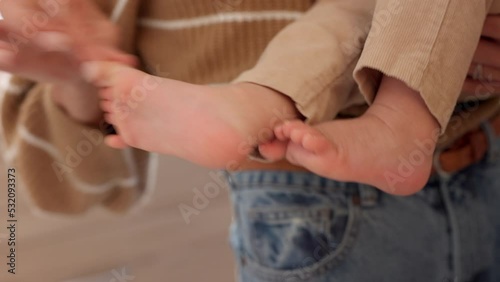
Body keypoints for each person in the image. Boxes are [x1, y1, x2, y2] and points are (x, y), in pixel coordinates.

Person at [0, 0, 500, 282]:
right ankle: (259, 106)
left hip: (487, 154)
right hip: (307, 189)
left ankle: (263, 107)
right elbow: (61, 183)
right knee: (352, 12)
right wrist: (83, 70)